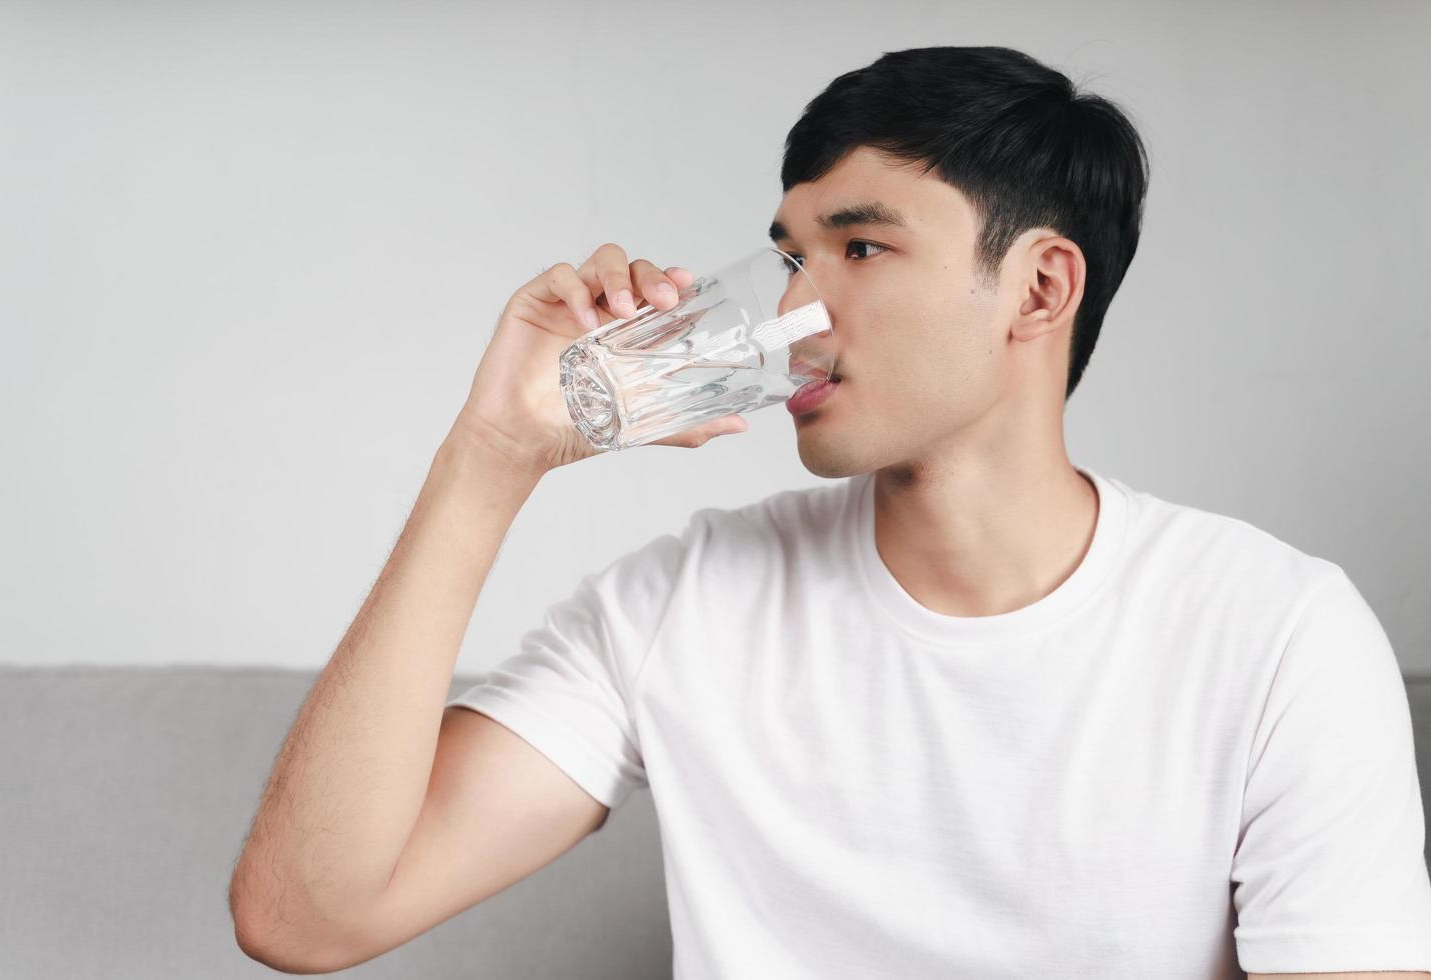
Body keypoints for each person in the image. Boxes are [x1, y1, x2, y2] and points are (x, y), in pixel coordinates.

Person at [228, 46, 1431, 978]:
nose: (791, 310)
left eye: (859, 248)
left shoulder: (1277, 634)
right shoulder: (683, 603)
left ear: (1041, 286)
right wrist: (489, 455)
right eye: (789, 254)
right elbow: (305, 915)